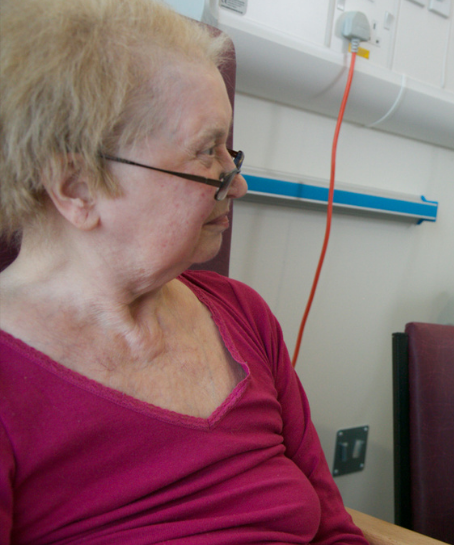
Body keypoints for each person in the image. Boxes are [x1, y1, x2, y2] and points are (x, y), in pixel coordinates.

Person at [0, 1, 367, 543]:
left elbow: (334, 529)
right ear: (77, 186)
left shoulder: (244, 316)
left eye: (229, 150)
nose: (236, 183)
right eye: (205, 152)